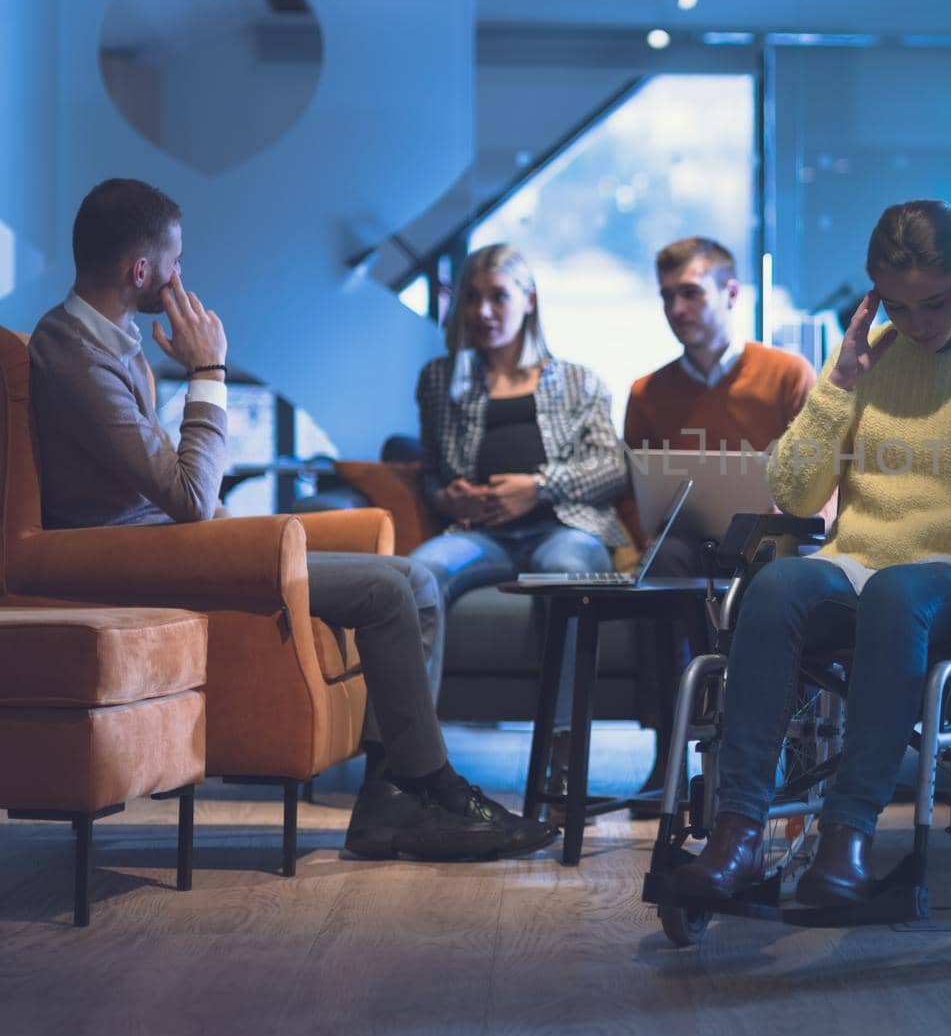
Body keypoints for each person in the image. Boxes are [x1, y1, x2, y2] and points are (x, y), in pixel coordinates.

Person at [29, 179, 554, 861]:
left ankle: (390, 800)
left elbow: (174, 486)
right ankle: (434, 788)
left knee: (414, 582)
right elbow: (187, 492)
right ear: (141, 271)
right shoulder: (70, 349)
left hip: (171, 542)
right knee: (393, 590)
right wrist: (210, 369)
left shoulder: (115, 340)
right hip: (133, 557)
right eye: (175, 261)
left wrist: (232, 535)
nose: (179, 276)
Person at [674, 199, 951, 905]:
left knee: (898, 592)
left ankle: (848, 836)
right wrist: (839, 385)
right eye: (895, 305)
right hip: (859, 562)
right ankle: (737, 831)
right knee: (774, 585)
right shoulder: (869, 357)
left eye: (932, 304)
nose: (915, 325)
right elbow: (798, 495)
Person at [410, 243, 629, 607]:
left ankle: (564, 668)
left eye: (498, 297)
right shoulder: (438, 379)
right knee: (419, 573)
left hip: (565, 529)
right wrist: (444, 498)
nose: (483, 312)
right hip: (479, 534)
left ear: (529, 301)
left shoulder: (579, 380)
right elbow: (431, 469)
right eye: (472, 298)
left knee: (564, 566)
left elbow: (611, 469)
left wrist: (538, 487)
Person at [622, 235, 815, 576]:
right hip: (685, 544)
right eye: (667, 297)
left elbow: (818, 469)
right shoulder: (646, 393)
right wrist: (645, 536)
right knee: (662, 558)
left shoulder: (788, 374)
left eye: (690, 293)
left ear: (732, 293)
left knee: (774, 554)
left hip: (769, 539)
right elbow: (633, 492)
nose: (676, 310)